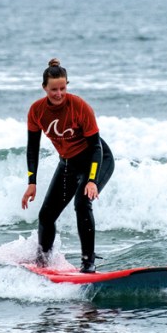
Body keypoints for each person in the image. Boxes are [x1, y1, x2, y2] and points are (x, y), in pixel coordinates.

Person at [21, 58, 115, 273]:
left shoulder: (79, 106)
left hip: (96, 159)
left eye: (63, 88)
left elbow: (96, 148)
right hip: (68, 163)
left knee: (82, 204)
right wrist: (31, 182)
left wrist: (92, 180)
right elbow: (32, 148)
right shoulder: (37, 111)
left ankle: (88, 263)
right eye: (54, 89)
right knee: (46, 216)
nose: (59, 93)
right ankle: (43, 262)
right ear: (44, 87)